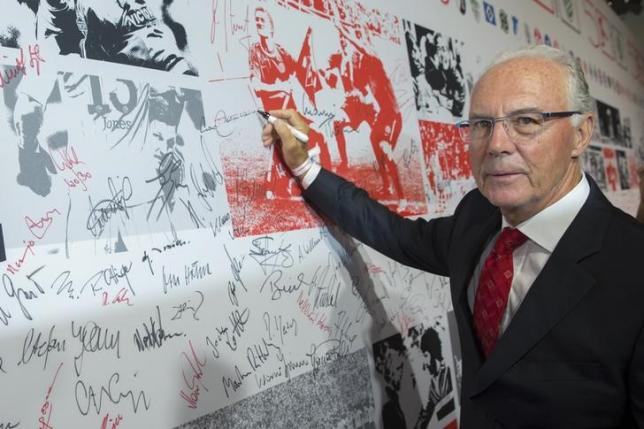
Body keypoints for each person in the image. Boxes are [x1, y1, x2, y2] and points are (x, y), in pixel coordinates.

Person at [261, 45, 644, 427]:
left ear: (581, 134)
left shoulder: (632, 266)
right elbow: (394, 234)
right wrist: (304, 165)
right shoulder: (477, 216)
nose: (496, 145)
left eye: (526, 121)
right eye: (481, 125)